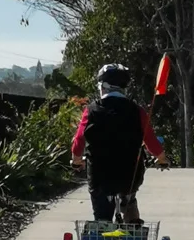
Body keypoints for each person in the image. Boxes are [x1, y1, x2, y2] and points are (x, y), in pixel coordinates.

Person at [71, 63, 167, 223]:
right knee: (129, 198)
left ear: (102, 86)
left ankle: (102, 228)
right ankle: (132, 227)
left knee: (102, 215)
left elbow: (79, 141)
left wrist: (76, 160)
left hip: (100, 177)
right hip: (129, 177)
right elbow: (151, 141)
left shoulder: (92, 110)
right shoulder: (138, 111)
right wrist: (162, 159)